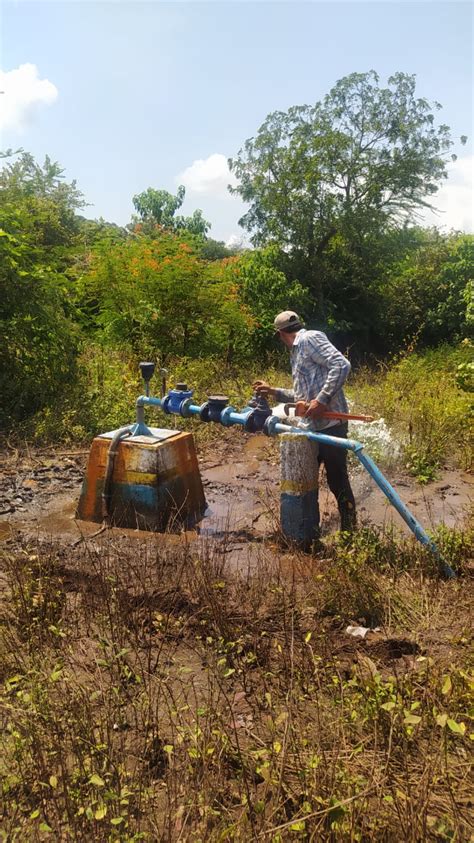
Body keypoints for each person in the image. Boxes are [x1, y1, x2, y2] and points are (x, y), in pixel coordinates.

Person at [253, 310, 356, 533]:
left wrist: (322, 400)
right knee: (304, 476)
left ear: (280, 334)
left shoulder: (309, 338)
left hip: (331, 425)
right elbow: (302, 397)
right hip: (311, 427)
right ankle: (308, 528)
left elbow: (342, 365)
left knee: (337, 479)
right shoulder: (296, 353)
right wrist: (273, 391)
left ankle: (350, 530)